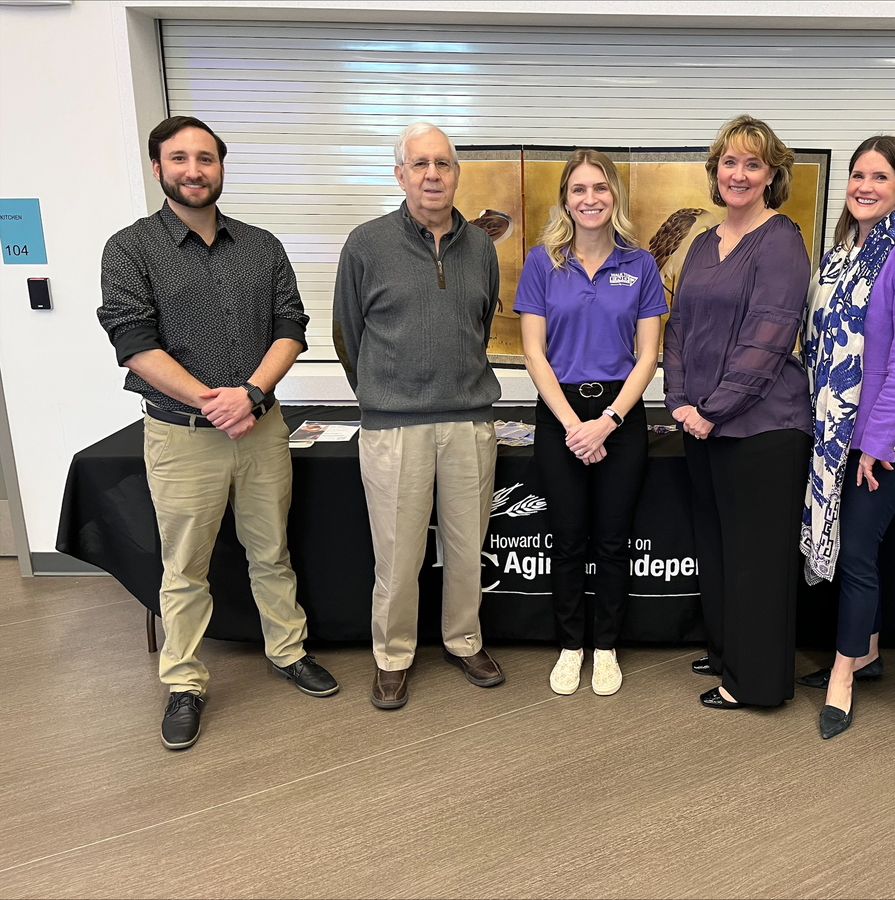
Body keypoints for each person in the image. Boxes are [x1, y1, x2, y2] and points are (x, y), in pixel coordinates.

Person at [98, 116, 339, 751]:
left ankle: (288, 652)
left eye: (206, 158)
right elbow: (133, 343)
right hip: (181, 435)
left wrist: (251, 395)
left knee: (271, 552)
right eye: (179, 158)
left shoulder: (262, 246)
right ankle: (183, 682)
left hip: (261, 430)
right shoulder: (130, 248)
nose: (194, 170)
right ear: (158, 168)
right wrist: (213, 402)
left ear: (222, 168)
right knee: (185, 567)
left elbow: (292, 326)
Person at [333, 122, 505, 711]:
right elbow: (347, 335)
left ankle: (464, 641)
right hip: (394, 426)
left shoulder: (481, 246)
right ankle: (394, 656)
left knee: (466, 547)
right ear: (399, 173)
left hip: (468, 423)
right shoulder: (366, 243)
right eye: (420, 164)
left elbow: (478, 327)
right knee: (399, 556)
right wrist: (384, 393)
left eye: (444, 164)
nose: (433, 175)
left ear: (457, 172)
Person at [796, 136, 895, 739]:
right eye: (858, 174)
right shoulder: (836, 258)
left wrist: (877, 441)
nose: (864, 185)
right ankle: (870, 650)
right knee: (861, 552)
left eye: (880, 177)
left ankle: (842, 676)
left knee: (855, 554)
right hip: (832, 432)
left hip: (882, 443)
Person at [662, 115, 812, 710]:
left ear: (771, 174)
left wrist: (713, 410)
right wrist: (678, 401)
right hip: (701, 425)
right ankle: (727, 653)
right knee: (719, 551)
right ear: (715, 171)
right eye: (729, 162)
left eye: (753, 163)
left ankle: (757, 684)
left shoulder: (781, 241)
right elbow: (679, 328)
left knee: (756, 562)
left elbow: (767, 339)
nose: (739, 173)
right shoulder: (702, 242)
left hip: (762, 429)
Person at [514, 150, 667, 697]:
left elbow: (648, 356)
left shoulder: (641, 264)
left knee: (612, 541)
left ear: (614, 197)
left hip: (620, 416)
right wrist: (575, 426)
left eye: (600, 188)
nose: (590, 199)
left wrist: (605, 422)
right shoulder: (542, 263)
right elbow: (535, 355)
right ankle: (570, 646)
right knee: (569, 539)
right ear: (565, 200)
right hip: (561, 415)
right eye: (578, 190)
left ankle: (604, 648)